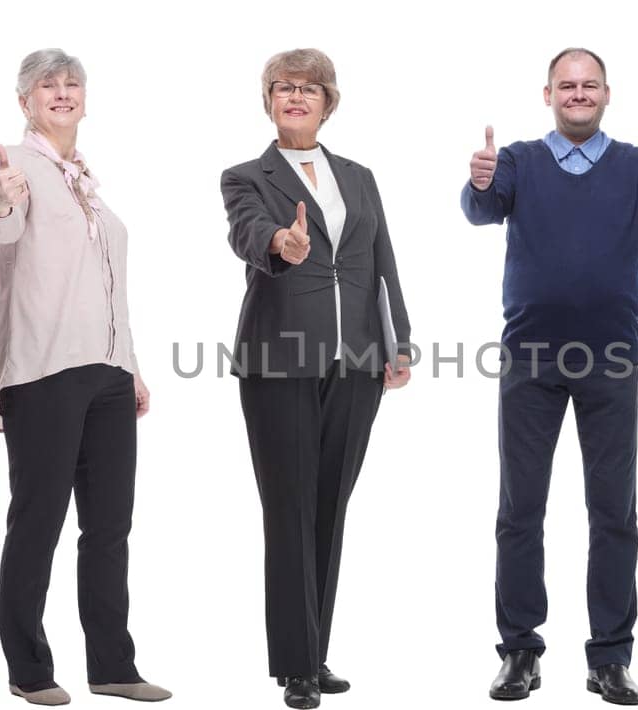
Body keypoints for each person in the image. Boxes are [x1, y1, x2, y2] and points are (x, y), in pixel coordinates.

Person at [462, 47, 638, 706]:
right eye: (566, 86)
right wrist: (479, 182)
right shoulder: (515, 160)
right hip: (530, 362)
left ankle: (610, 658)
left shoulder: (636, 166)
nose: (577, 93)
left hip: (611, 361)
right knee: (519, 511)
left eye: (588, 85)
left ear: (605, 94)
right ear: (548, 95)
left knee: (613, 513)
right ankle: (519, 652)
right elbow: (482, 210)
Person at [0, 49, 171, 707]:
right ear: (24, 101)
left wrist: (132, 367)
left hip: (108, 373)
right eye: (46, 86)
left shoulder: (84, 179)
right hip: (45, 370)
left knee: (111, 525)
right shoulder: (17, 167)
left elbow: (110, 289)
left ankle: (113, 665)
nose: (61, 93)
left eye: (71, 83)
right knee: (38, 521)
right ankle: (27, 669)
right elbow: (1, 229)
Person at [219, 47, 413, 710]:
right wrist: (281, 243)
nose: (295, 97)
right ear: (268, 100)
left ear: (329, 102)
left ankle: (315, 649)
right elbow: (247, 233)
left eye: (308, 89)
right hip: (279, 360)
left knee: (330, 505)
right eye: (283, 88)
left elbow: (383, 260)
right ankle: (296, 666)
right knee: (290, 508)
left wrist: (400, 343)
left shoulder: (358, 177)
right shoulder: (246, 176)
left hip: (357, 361)